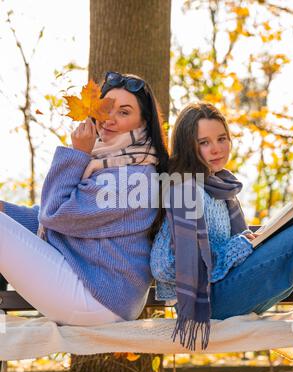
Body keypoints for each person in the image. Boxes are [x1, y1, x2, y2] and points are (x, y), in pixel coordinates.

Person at [0, 71, 169, 327]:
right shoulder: (113, 163)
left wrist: (77, 154)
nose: (109, 119)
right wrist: (5, 209)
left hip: (97, 297)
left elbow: (55, 214)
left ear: (143, 122)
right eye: (106, 108)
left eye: (124, 112)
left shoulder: (133, 178)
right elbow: (57, 214)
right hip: (93, 288)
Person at [149, 102, 293, 351]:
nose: (217, 149)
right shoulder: (185, 190)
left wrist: (253, 241)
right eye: (204, 142)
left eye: (221, 138)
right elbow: (162, 265)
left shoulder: (222, 190)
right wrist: (233, 249)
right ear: (189, 146)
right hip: (207, 303)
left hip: (230, 291)